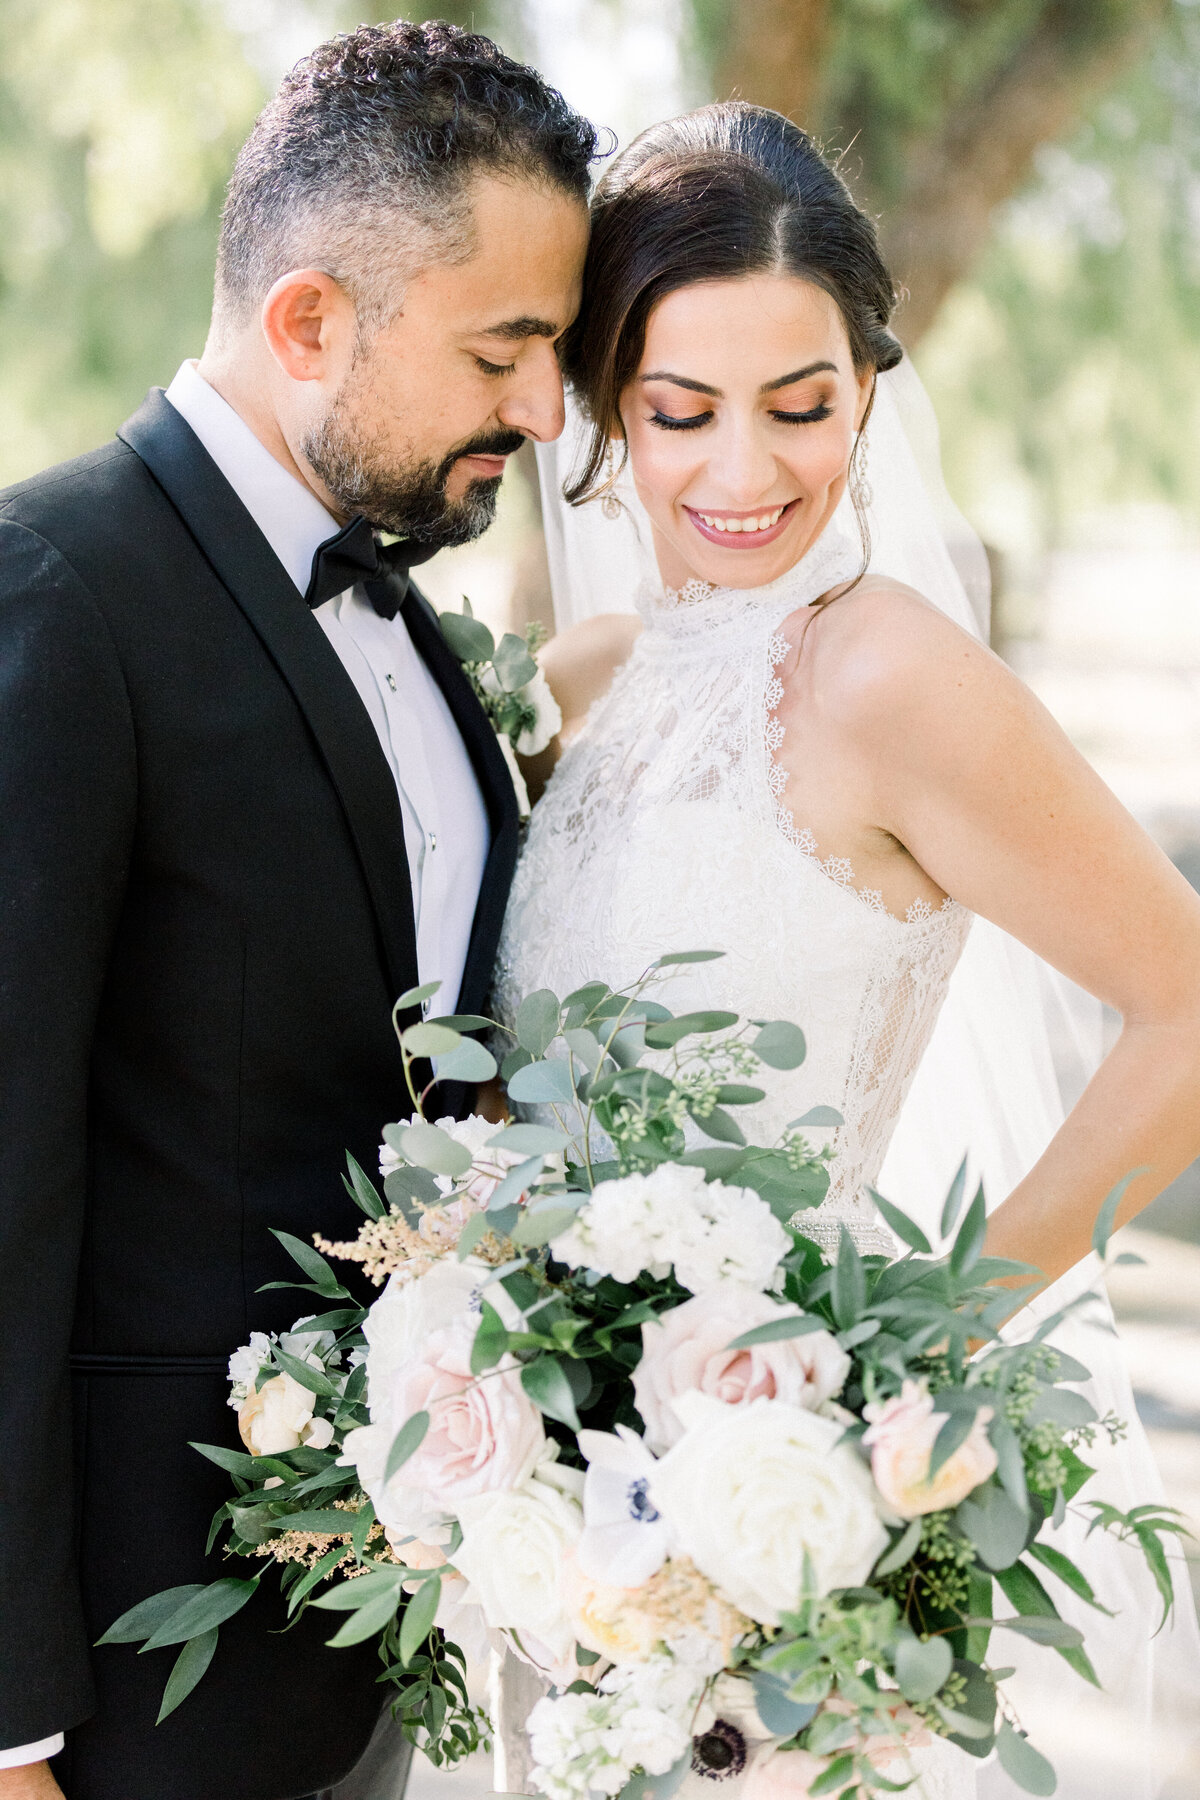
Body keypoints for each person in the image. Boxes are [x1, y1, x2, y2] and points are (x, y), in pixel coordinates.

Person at [496, 103, 1200, 1797]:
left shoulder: (886, 675)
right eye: (681, 412)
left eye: (801, 407)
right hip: (549, 1546)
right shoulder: (579, 683)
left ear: (870, 396)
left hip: (771, 1534)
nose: (745, 472)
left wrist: (913, 1346)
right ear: (601, 414)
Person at [0, 21, 593, 1800]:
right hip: (123, 1682)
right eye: (508, 349)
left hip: (368, 1640)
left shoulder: (414, 629)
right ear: (310, 322)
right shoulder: (57, 594)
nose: (547, 412)